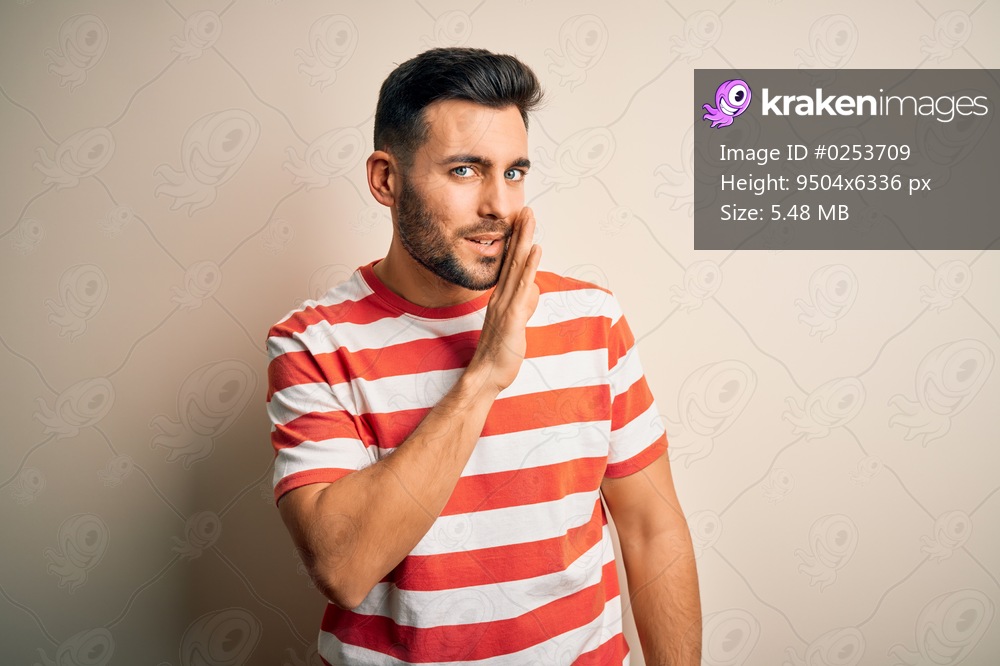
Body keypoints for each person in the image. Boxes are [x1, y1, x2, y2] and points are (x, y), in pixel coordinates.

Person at [266, 47, 701, 665]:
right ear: (386, 179)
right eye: (465, 171)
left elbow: (652, 530)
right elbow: (344, 567)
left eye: (515, 172)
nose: (499, 204)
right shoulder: (312, 343)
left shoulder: (592, 320)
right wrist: (483, 377)